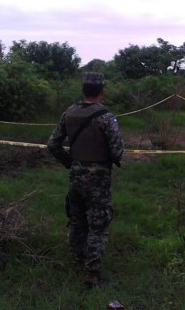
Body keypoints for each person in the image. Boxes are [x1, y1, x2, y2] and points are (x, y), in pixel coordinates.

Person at [47, 72, 124, 288]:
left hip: (75, 177)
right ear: (102, 91)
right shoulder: (107, 117)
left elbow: (52, 144)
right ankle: (92, 275)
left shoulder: (69, 113)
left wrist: (70, 162)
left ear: (83, 90)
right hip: (98, 180)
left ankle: (77, 261)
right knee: (97, 226)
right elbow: (117, 151)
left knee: (77, 222)